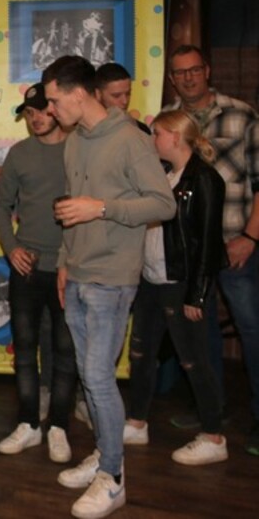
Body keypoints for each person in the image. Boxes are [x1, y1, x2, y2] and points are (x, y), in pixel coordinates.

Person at [42, 55, 175, 519]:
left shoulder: (130, 139)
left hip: (112, 278)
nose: (51, 109)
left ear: (79, 94)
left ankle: (113, 477)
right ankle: (104, 453)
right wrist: (64, 262)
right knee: (88, 373)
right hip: (78, 273)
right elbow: (70, 210)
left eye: (55, 100)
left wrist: (102, 208)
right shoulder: (76, 141)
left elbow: (163, 204)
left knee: (98, 378)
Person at [163, 44, 259, 456]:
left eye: (194, 70)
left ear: (207, 71)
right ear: (172, 79)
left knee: (251, 330)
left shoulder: (242, 115)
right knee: (201, 335)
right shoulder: (167, 121)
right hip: (189, 250)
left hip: (235, 241)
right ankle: (211, 411)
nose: (188, 78)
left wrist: (250, 238)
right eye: (179, 72)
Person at [123, 109, 229, 465]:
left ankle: (214, 436)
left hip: (180, 284)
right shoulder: (164, 176)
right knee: (141, 355)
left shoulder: (205, 179)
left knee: (193, 360)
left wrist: (197, 294)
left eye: (156, 134)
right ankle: (137, 422)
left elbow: (208, 243)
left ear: (175, 136)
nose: (153, 141)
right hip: (151, 281)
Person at [0, 83, 78, 465]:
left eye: (42, 110)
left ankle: (59, 425)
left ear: (56, 109)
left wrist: (71, 259)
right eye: (29, 113)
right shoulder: (19, 153)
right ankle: (29, 423)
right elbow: (0, 206)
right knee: (25, 350)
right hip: (26, 268)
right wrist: (11, 248)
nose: (36, 118)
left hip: (67, 268)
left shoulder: (78, 149)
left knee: (65, 351)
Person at [94, 62, 150, 134]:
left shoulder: (141, 130)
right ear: (98, 94)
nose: (125, 101)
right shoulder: (85, 132)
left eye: (128, 94)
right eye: (116, 96)